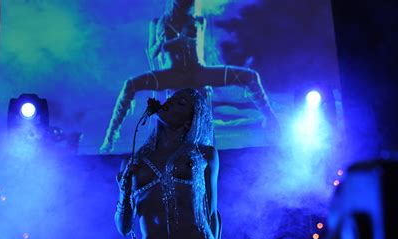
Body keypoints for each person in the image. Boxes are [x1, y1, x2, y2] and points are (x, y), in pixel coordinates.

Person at [30, 88, 311, 239]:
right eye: (171, 99)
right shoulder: (132, 161)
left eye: (180, 103)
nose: (170, 103)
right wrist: (124, 193)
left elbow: (212, 214)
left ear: (191, 118)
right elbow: (124, 227)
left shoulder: (206, 153)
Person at [100, 0, 279, 153]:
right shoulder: (157, 23)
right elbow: (153, 53)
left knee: (250, 76)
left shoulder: (198, 20)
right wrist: (164, 42)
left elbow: (200, 50)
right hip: (172, 74)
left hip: (198, 72)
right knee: (130, 85)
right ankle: (110, 138)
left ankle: (271, 121)